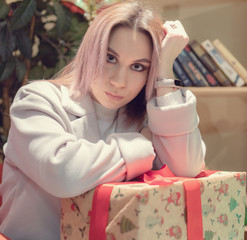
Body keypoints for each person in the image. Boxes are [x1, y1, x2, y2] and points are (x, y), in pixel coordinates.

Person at [0, 2, 206, 239]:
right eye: (110, 58)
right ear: (90, 51)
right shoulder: (37, 100)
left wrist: (165, 69)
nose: (119, 80)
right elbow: (64, 174)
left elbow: (188, 166)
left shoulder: (147, 114)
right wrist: (143, 145)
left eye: (138, 67)